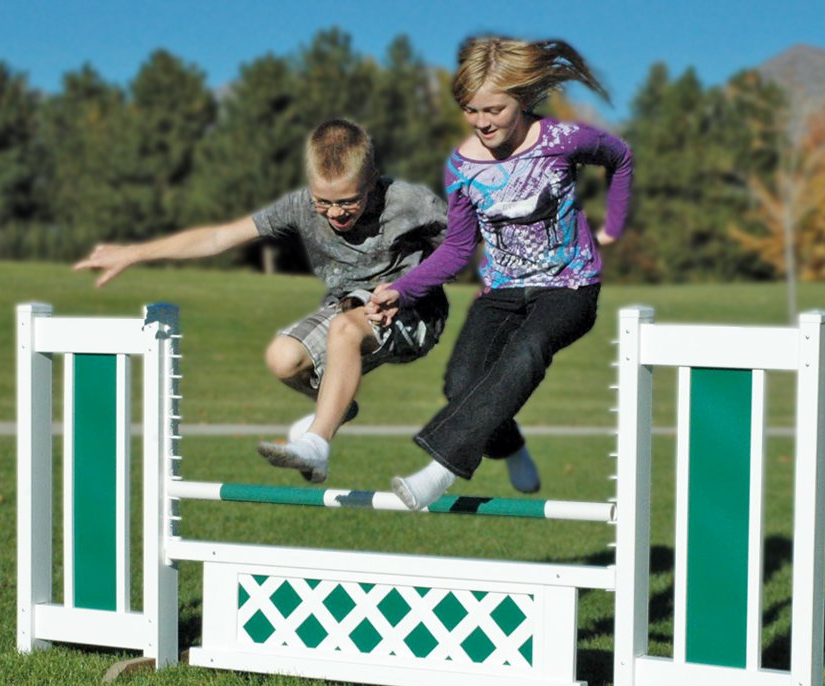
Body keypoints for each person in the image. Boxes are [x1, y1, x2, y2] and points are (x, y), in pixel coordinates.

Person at [74, 119, 448, 483]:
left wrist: (414, 286)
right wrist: (135, 253)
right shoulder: (298, 206)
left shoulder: (410, 202)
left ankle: (316, 443)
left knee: (345, 329)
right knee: (283, 358)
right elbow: (219, 237)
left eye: (348, 201)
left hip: (414, 313)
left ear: (372, 180)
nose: (336, 213)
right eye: (324, 202)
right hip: (346, 308)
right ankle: (337, 409)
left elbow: (463, 245)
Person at [368, 37, 634, 510]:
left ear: (523, 99)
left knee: (529, 348)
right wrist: (403, 291)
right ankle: (510, 447)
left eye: (494, 109)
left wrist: (613, 224)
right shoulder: (461, 167)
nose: (483, 122)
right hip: (502, 290)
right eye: (471, 110)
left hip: (570, 287)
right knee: (462, 384)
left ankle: (440, 469)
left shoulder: (561, 140)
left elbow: (620, 157)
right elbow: (457, 247)